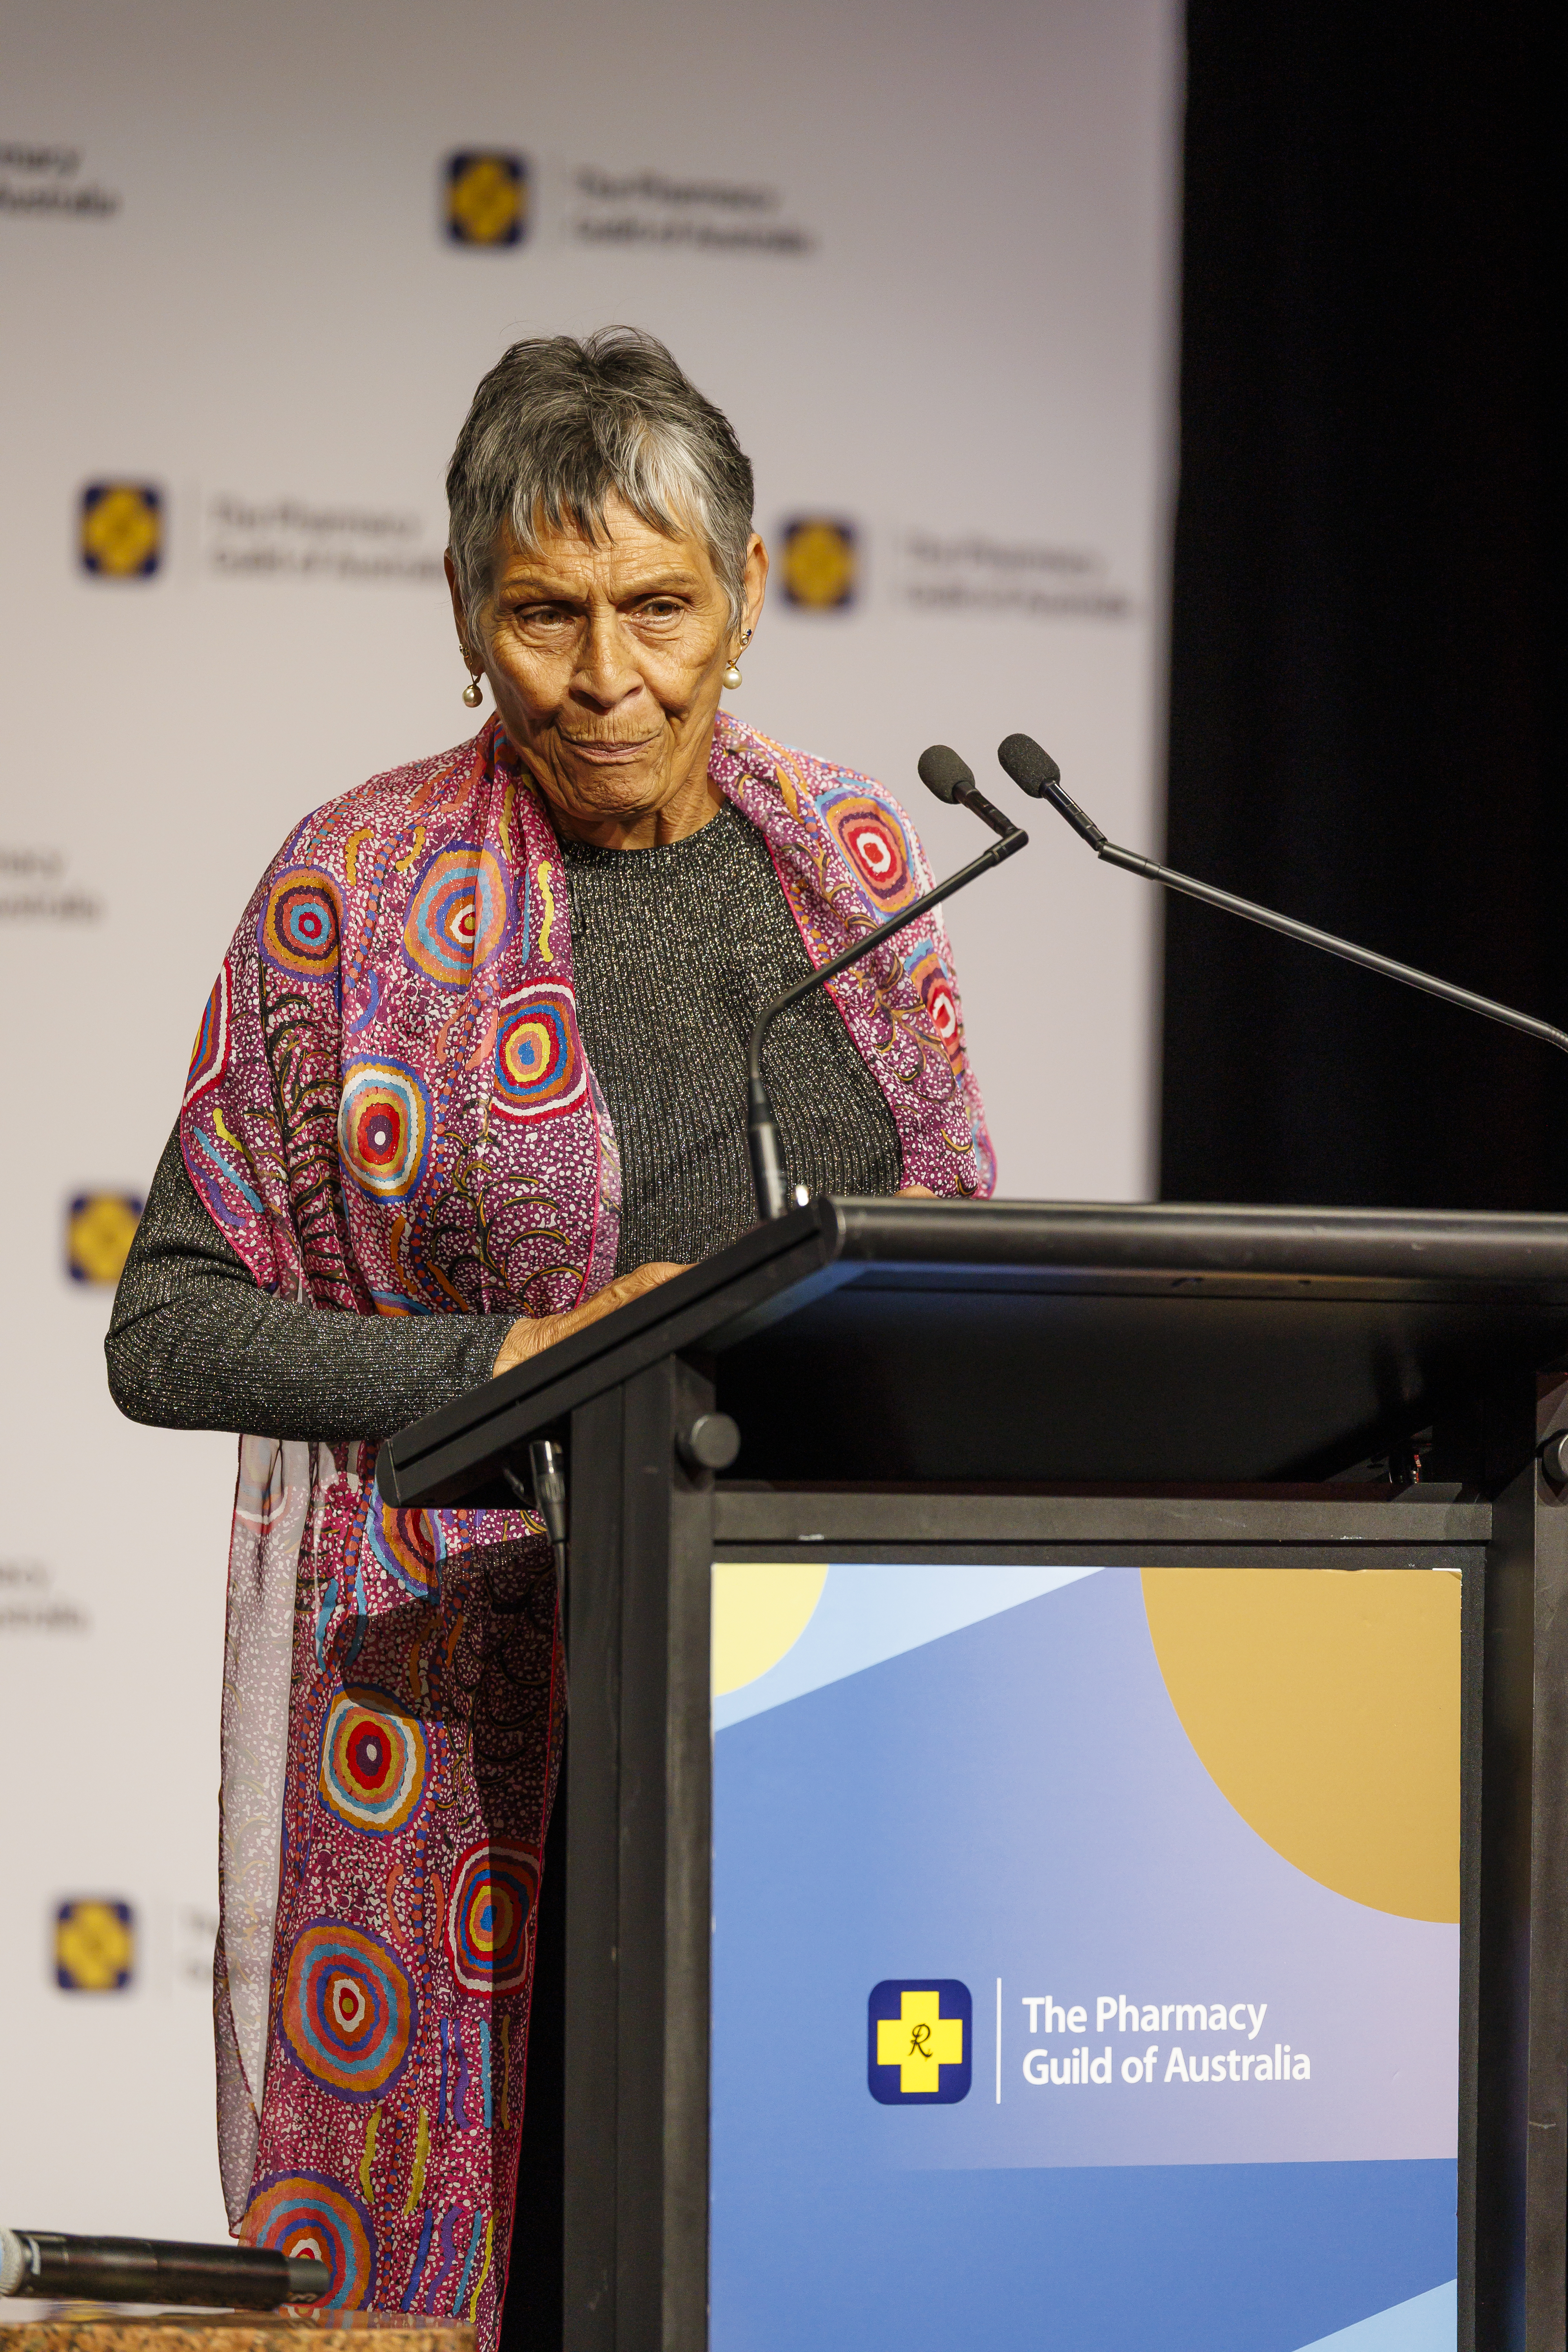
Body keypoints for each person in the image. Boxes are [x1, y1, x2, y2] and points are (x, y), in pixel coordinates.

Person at [106, 328, 993, 2341]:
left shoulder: (852, 868)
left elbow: (944, 1238)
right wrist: (496, 1367)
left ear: (748, 593)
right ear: (464, 617)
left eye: (659, 608)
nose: (609, 678)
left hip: (832, 1702)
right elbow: (167, 1324)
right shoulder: (352, 893)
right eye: (545, 615)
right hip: (490, 1753)